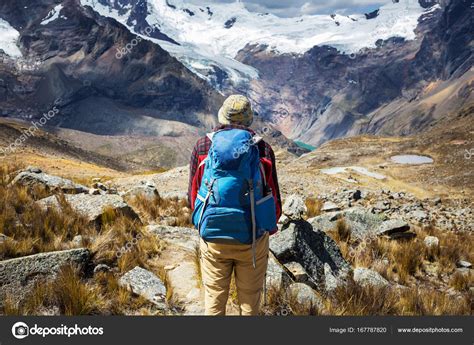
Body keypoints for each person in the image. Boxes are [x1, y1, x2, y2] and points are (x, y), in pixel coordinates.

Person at [188, 94, 282, 316]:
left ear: (223, 116)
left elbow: (193, 197)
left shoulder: (203, 146)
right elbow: (274, 199)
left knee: (214, 298)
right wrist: (266, 228)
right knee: (250, 300)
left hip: (213, 238)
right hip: (251, 239)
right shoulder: (262, 149)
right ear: (248, 119)